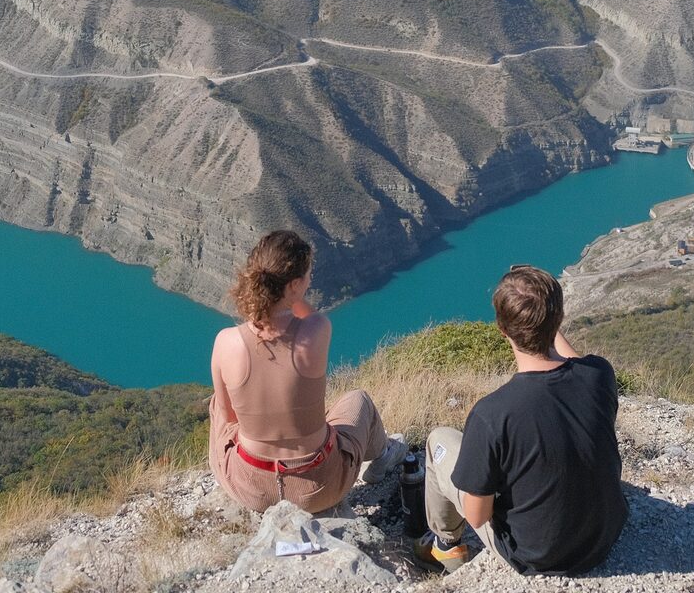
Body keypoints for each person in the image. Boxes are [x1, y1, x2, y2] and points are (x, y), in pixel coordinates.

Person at [415, 265, 626, 575]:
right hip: (604, 536)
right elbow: (575, 362)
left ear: (502, 330)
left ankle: (447, 546)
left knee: (438, 440)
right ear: (559, 320)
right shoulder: (598, 375)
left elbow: (477, 517)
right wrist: (545, 313)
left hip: (539, 554)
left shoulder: (493, 414)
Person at [209, 229, 406, 513]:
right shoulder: (316, 330)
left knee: (217, 403)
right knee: (358, 400)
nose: (311, 280)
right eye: (308, 276)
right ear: (293, 286)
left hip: (251, 488)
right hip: (320, 487)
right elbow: (308, 315)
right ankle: (384, 455)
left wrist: (261, 304)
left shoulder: (225, 342)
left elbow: (228, 417)